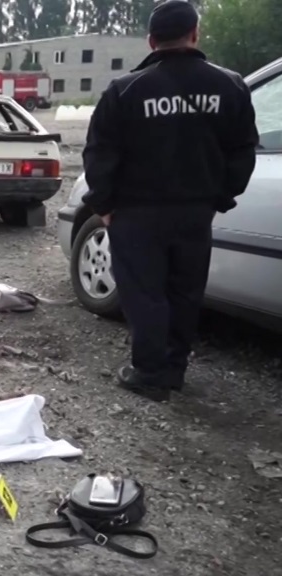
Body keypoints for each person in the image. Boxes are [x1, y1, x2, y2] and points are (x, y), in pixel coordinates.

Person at [81, 0, 259, 402]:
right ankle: (174, 369)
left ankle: (148, 372)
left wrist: (103, 205)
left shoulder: (125, 89)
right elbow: (243, 151)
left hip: (136, 213)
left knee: (144, 292)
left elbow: (99, 154)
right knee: (185, 291)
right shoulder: (230, 86)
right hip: (195, 211)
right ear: (195, 34)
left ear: (151, 41)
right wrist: (220, 197)